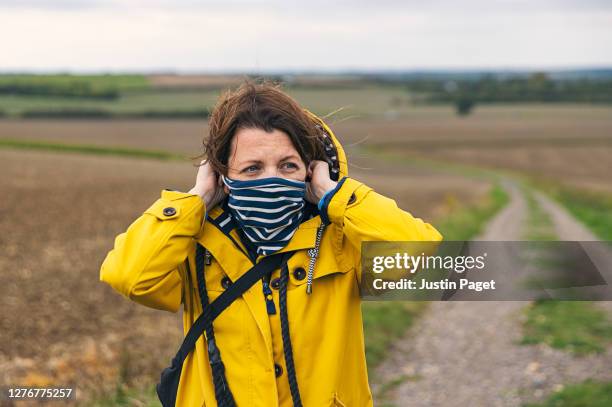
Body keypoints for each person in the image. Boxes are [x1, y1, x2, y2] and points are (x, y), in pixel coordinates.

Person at [99, 79, 444, 406]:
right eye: (252, 168)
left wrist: (334, 196)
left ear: (310, 170)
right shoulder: (196, 244)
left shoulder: (340, 242)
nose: (271, 181)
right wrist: (195, 200)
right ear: (223, 177)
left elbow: (425, 257)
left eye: (287, 165)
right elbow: (131, 277)